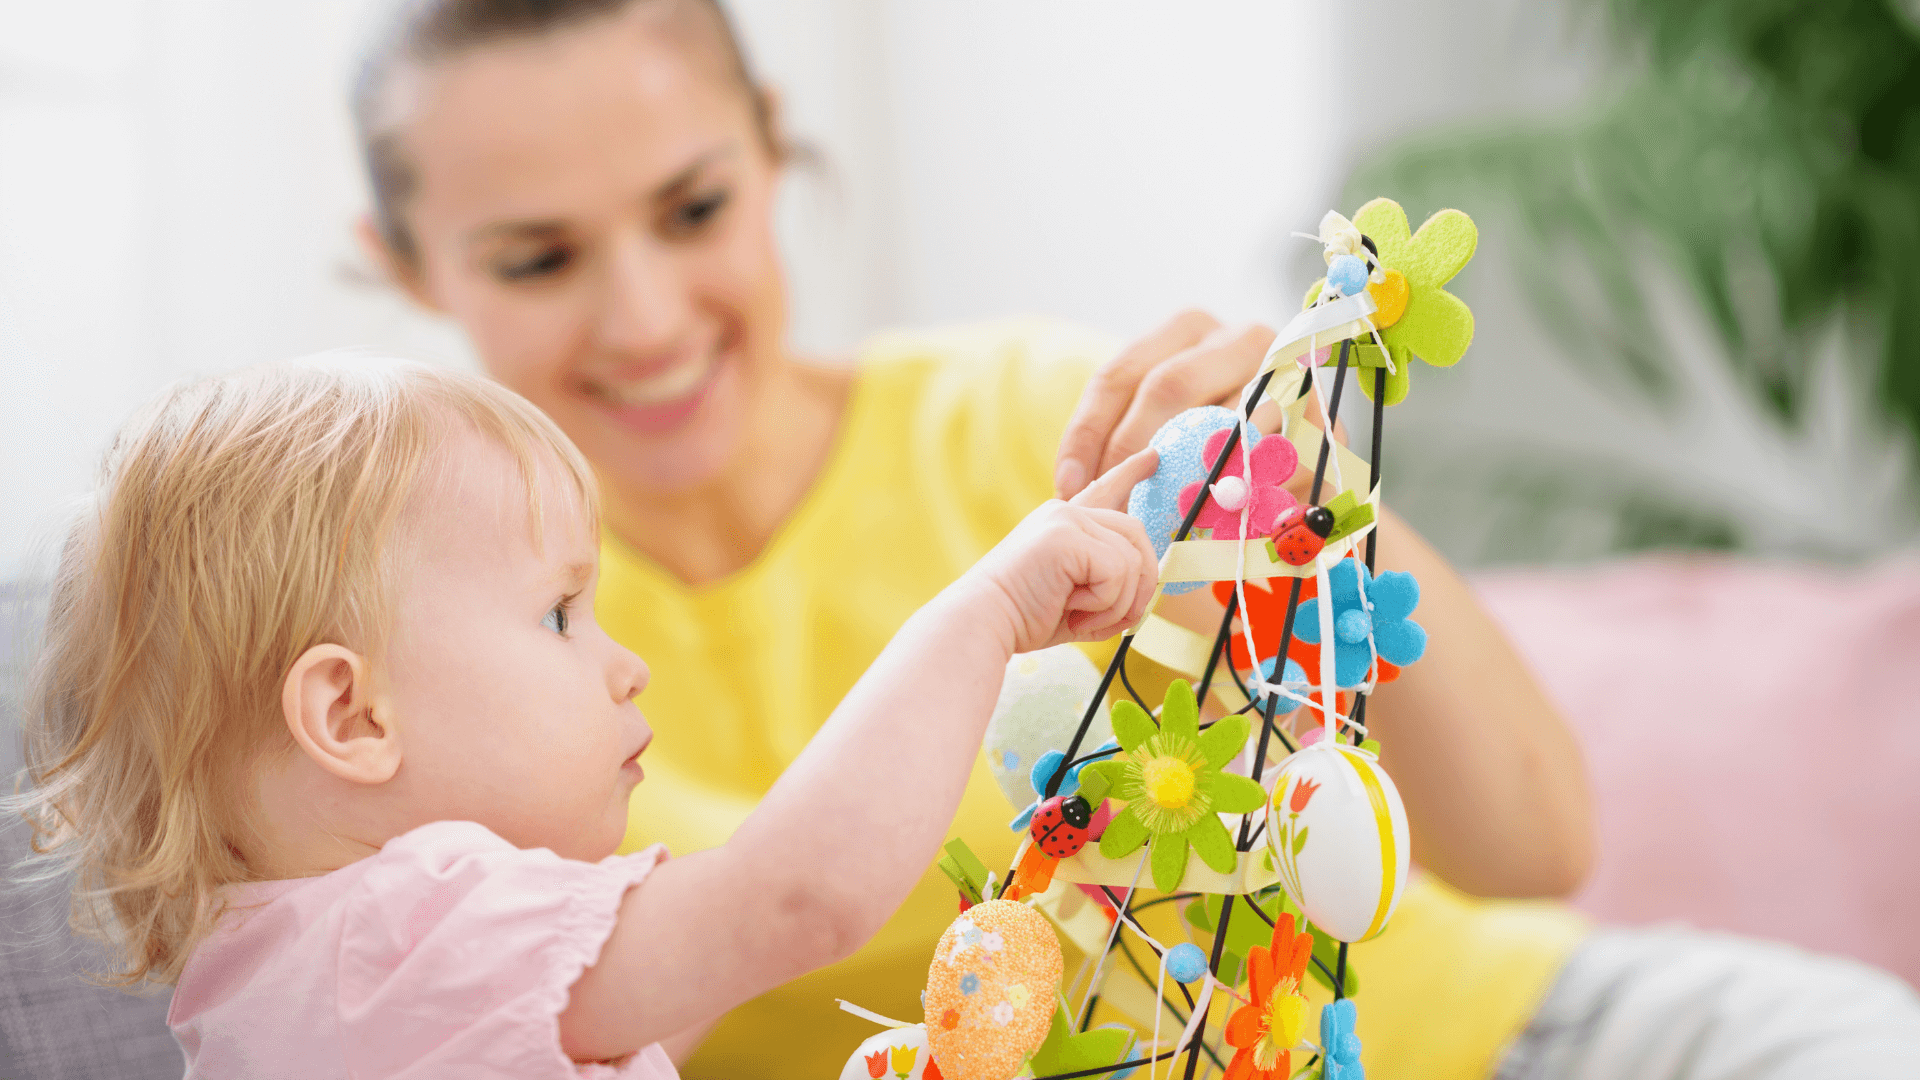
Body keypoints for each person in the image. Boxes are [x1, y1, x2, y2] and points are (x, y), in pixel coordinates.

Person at [341, 2, 1920, 1077]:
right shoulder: (441, 631)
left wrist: (1314, 483)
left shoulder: (1037, 417)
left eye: (693, 209)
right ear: (403, 263)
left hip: (1504, 1034)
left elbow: (1533, 849)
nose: (644, 317)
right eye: (539, 257)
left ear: (771, 152)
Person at [9, 361, 1163, 1076]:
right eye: (562, 615)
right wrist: (986, 614)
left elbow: (680, 991)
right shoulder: (408, 942)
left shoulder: (321, 969)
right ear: (351, 715)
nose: (628, 665)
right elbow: (796, 898)